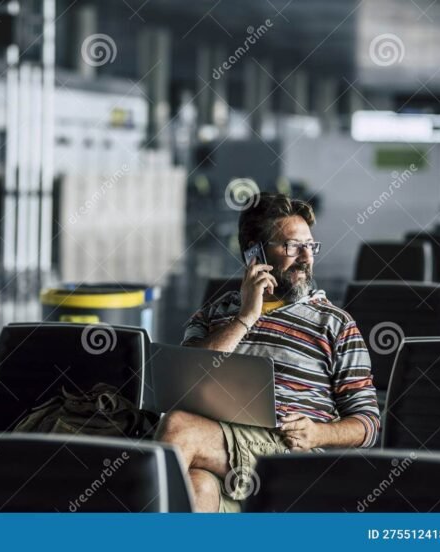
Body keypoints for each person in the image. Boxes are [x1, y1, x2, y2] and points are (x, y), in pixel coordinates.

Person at [156, 193, 380, 512]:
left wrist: (319, 433)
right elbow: (187, 381)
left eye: (310, 246)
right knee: (197, 487)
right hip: (221, 451)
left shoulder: (335, 324)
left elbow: (369, 423)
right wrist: (246, 316)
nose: (306, 256)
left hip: (287, 455)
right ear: (255, 255)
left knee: (179, 427)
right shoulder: (212, 316)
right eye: (292, 246)